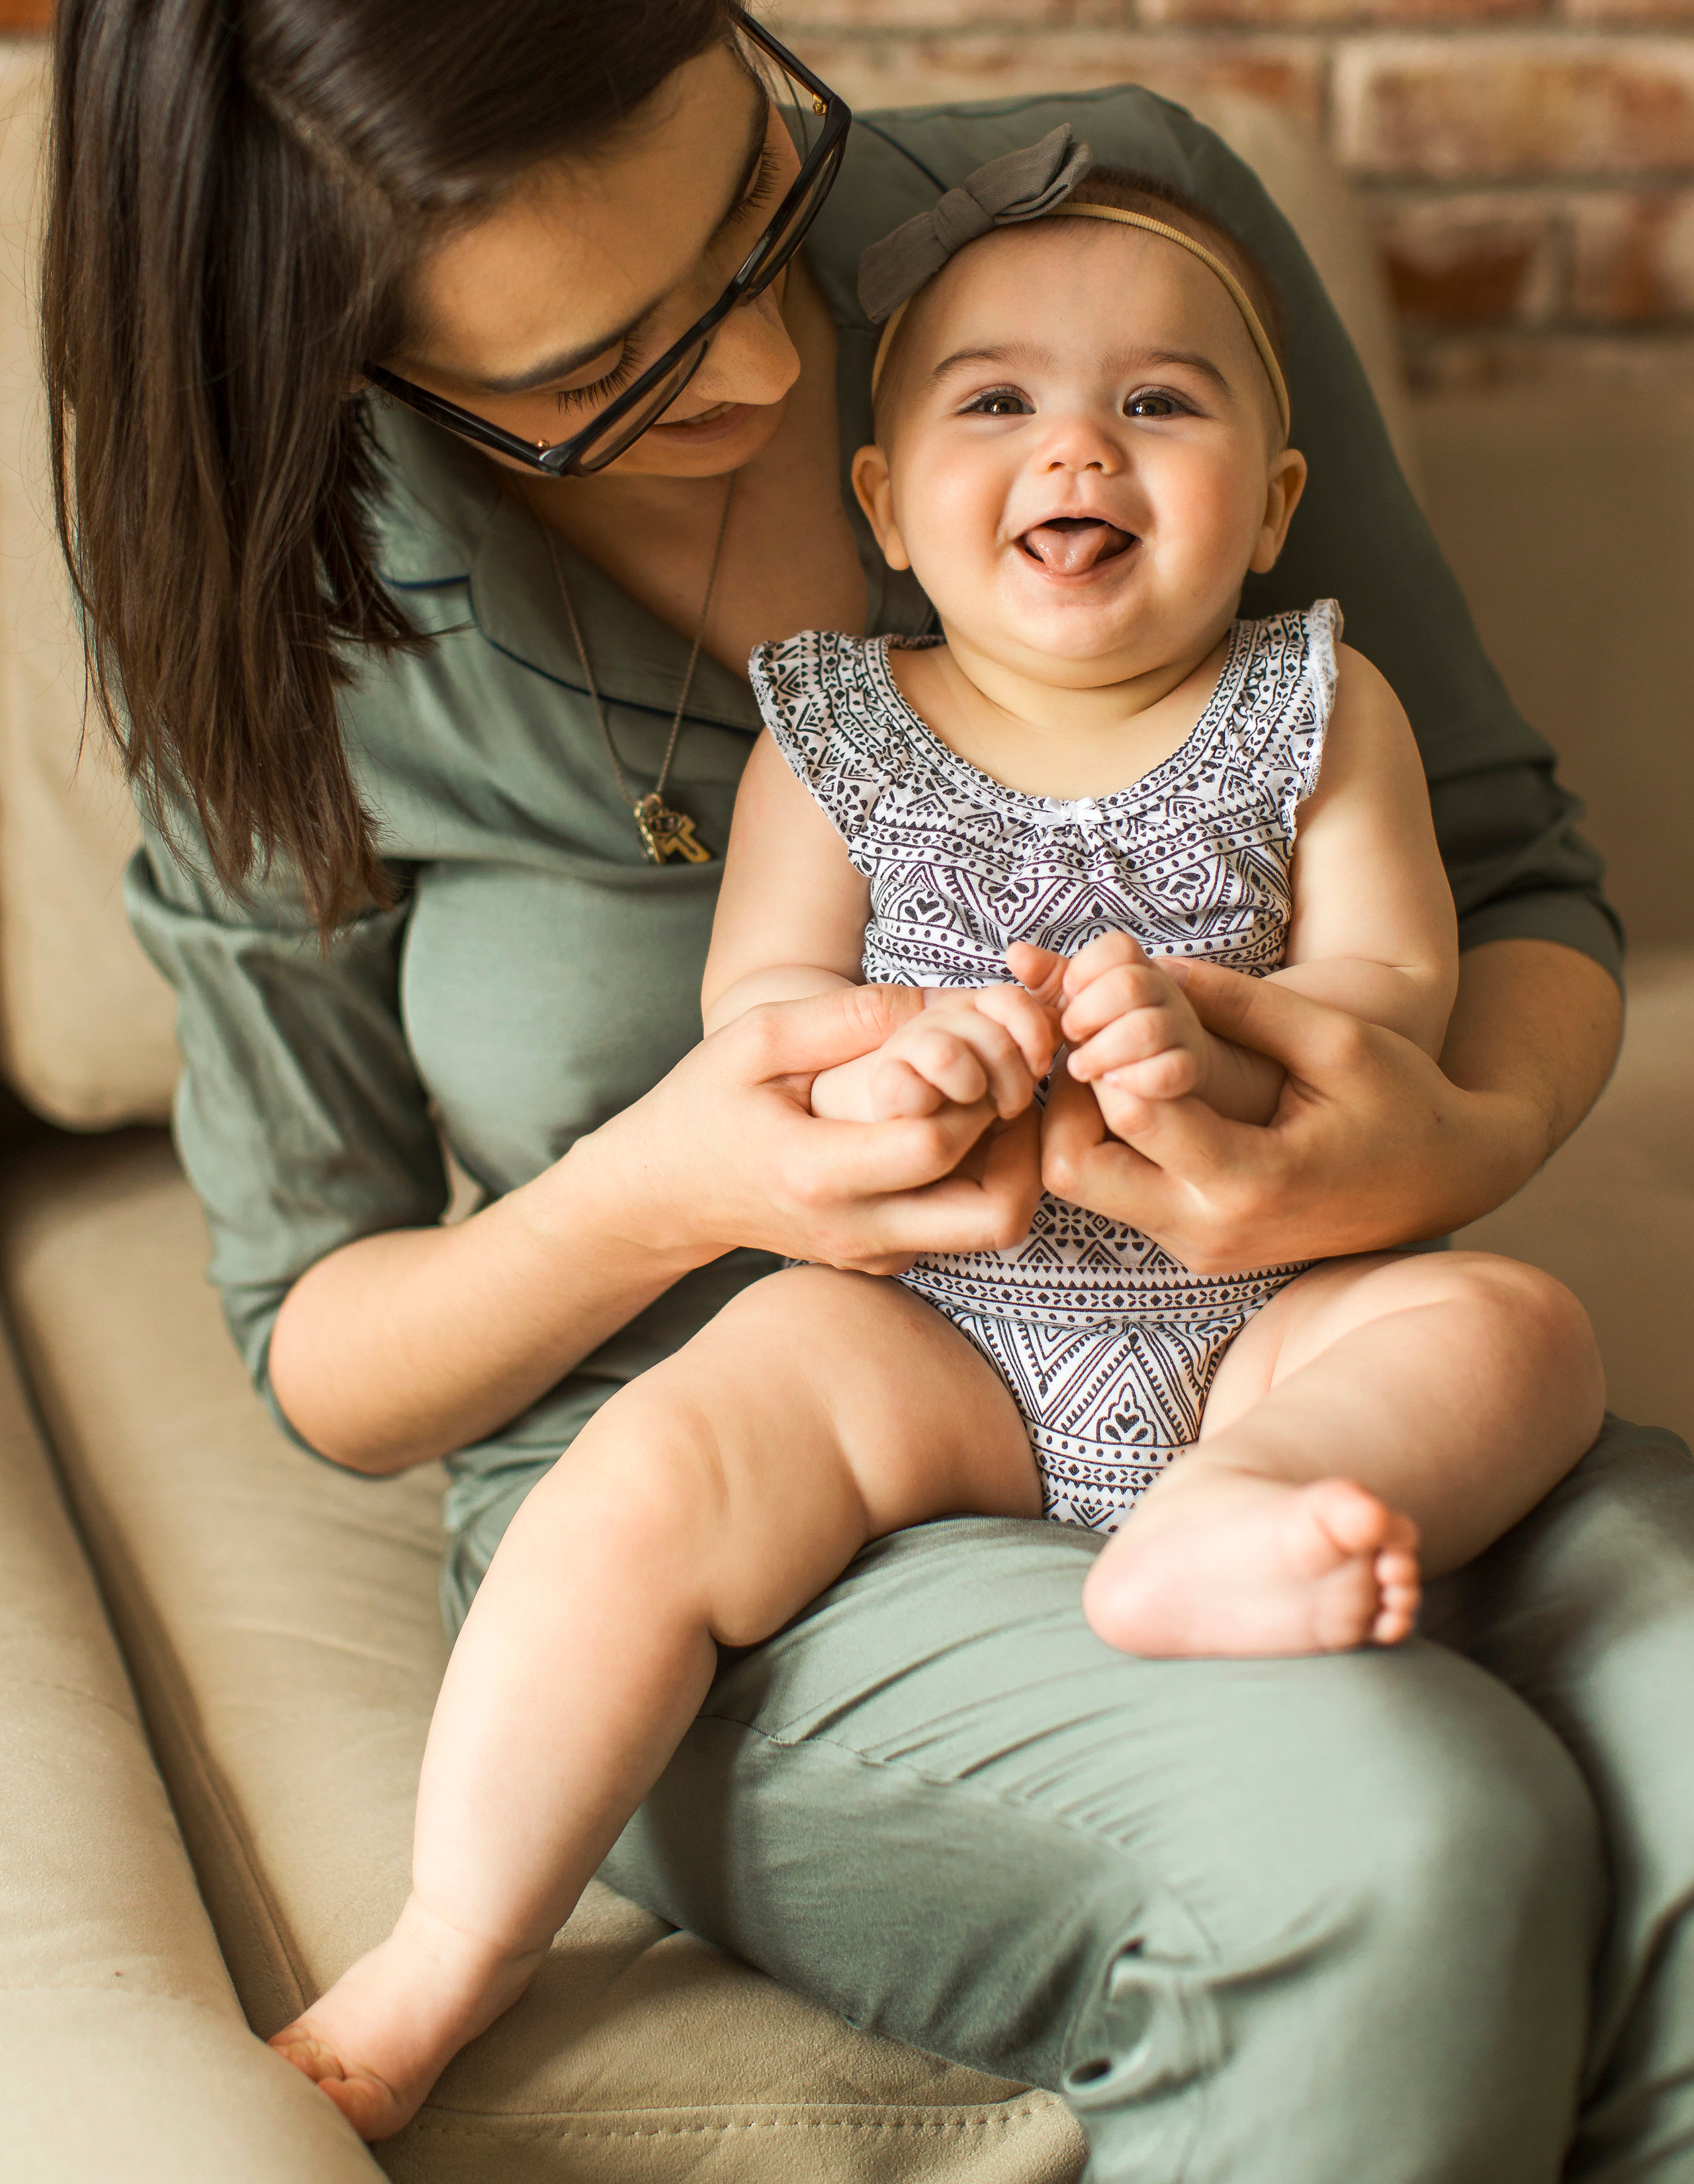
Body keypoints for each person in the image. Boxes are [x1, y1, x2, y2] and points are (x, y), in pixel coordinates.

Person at [42, 0, 1693, 2184]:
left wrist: (1411, 1143)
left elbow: (1511, 878)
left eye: (751, 214)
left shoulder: (1113, 249)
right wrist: (671, 1183)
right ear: (352, 373)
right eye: (592, 376)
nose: (748, 369)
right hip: (768, 1467)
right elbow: (330, 1354)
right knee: (1405, 1831)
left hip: (1292, 1360)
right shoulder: (281, 598)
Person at [262, 145, 1607, 2138]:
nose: (1080, 446)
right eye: (999, 402)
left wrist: (1225, 1048)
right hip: (932, 1324)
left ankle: (1238, 1511)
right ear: (885, 506)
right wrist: (901, 1071)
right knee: (653, 1472)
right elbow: (763, 1015)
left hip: (1264, 1311)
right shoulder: (836, 733)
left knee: (1514, 1330)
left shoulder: (1322, 706)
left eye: (1160, 402)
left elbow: (1398, 990)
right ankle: (452, 1939)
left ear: (1274, 505)